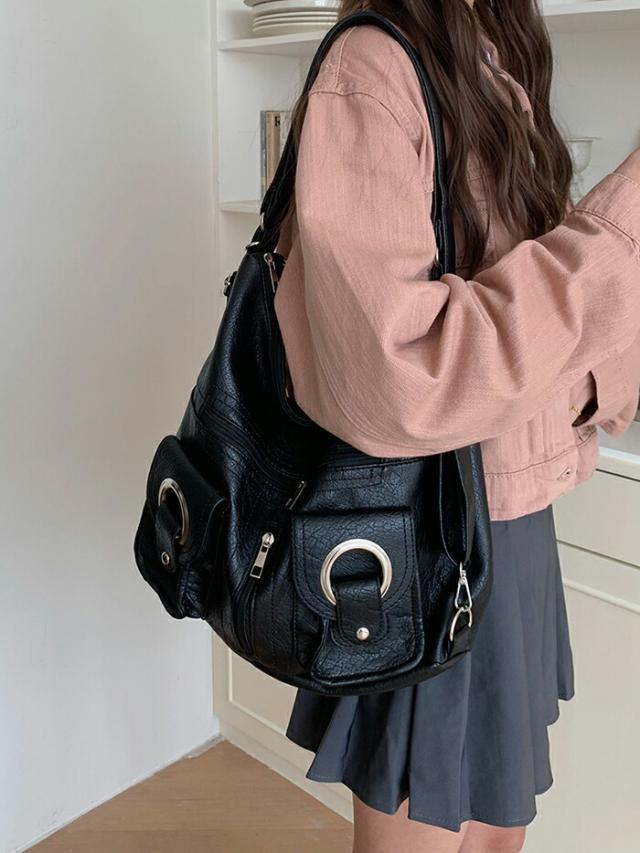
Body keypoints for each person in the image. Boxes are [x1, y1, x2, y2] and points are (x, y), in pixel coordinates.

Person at [272, 2, 640, 852]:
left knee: (496, 835)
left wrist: (592, 380)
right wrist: (622, 224)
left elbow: (534, 328)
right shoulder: (373, 69)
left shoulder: (490, 54)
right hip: (420, 530)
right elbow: (408, 379)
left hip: (506, 517)